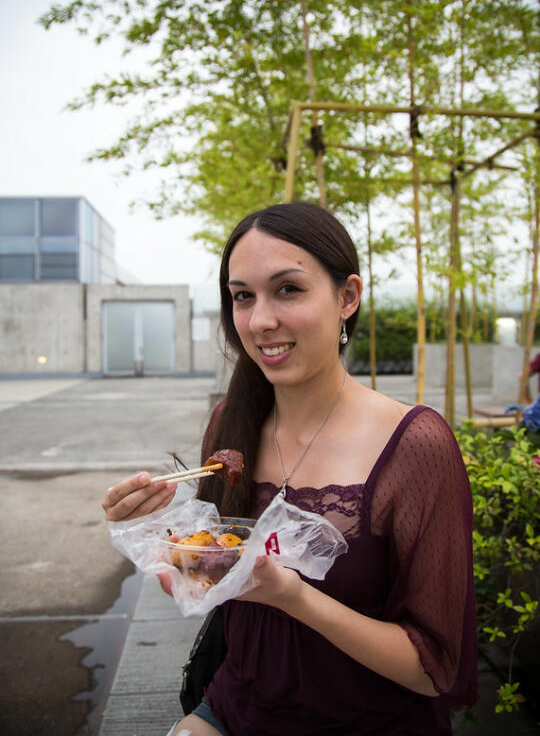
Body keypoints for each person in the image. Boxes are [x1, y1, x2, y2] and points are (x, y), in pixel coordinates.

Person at [102, 202, 478, 735]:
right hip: (236, 706)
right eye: (242, 296)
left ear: (347, 297)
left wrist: (294, 596)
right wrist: (151, 534)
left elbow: (433, 670)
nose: (260, 321)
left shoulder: (415, 445)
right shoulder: (231, 423)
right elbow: (216, 583)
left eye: (288, 289)